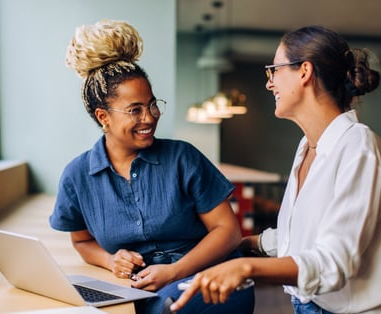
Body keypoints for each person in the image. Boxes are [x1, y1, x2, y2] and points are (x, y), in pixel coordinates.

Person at [171, 25, 381, 314]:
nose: (269, 83)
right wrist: (244, 245)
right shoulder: (307, 145)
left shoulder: (358, 145)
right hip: (307, 305)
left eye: (274, 70)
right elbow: (304, 234)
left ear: (304, 72)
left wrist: (247, 267)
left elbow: (334, 261)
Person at [49, 19, 254, 314]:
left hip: (213, 275)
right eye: (135, 110)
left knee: (164, 310)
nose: (150, 117)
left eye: (152, 104)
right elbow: (81, 241)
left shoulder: (183, 157)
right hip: (141, 285)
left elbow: (228, 231)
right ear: (103, 117)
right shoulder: (77, 176)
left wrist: (174, 271)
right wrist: (111, 260)